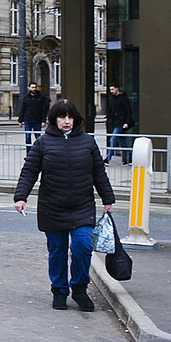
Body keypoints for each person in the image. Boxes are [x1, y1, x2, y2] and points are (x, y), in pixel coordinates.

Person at [13, 100, 115, 312]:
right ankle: (59, 290)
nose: (66, 121)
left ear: (75, 119)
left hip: (82, 206)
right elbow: (29, 171)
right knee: (57, 251)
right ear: (54, 119)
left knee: (83, 247)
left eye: (70, 117)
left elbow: (98, 173)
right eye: (62, 117)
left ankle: (79, 288)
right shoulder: (43, 143)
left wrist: (108, 199)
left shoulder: (88, 142)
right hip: (52, 206)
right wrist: (21, 197)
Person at [104, 83, 133, 165]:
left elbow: (128, 111)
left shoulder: (123, 99)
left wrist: (127, 122)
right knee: (122, 142)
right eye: (110, 89)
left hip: (121, 123)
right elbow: (111, 110)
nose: (111, 91)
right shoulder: (113, 99)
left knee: (113, 139)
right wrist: (107, 117)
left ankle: (108, 159)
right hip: (116, 122)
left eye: (112, 89)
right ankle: (130, 158)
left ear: (117, 89)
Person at [17, 81, 50, 148]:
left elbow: (43, 110)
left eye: (35, 87)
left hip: (37, 120)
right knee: (28, 137)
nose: (34, 89)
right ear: (29, 88)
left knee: (38, 138)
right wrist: (20, 121)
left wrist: (43, 121)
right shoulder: (26, 97)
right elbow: (23, 109)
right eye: (32, 87)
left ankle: (39, 152)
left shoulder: (41, 97)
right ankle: (29, 153)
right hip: (28, 120)